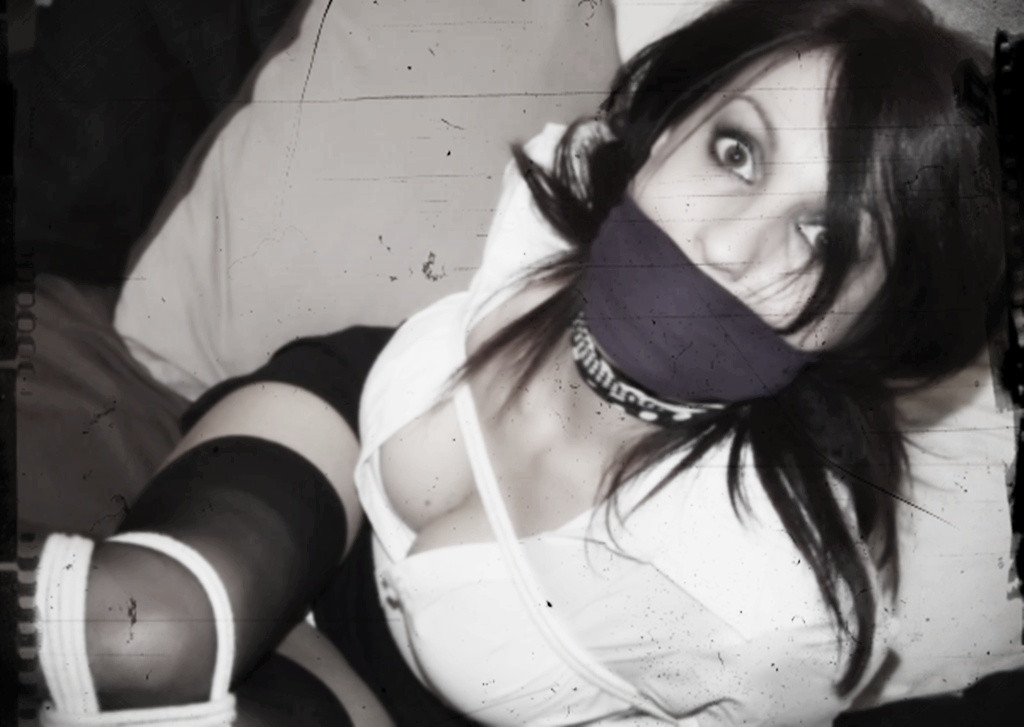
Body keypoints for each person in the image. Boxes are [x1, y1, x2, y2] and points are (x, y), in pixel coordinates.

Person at [25, 0, 1018, 725]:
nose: (727, 243)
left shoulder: (765, 608)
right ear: (672, 130)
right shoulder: (570, 187)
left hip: (400, 703)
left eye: (822, 236)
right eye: (736, 152)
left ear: (871, 321)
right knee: (142, 628)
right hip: (336, 418)